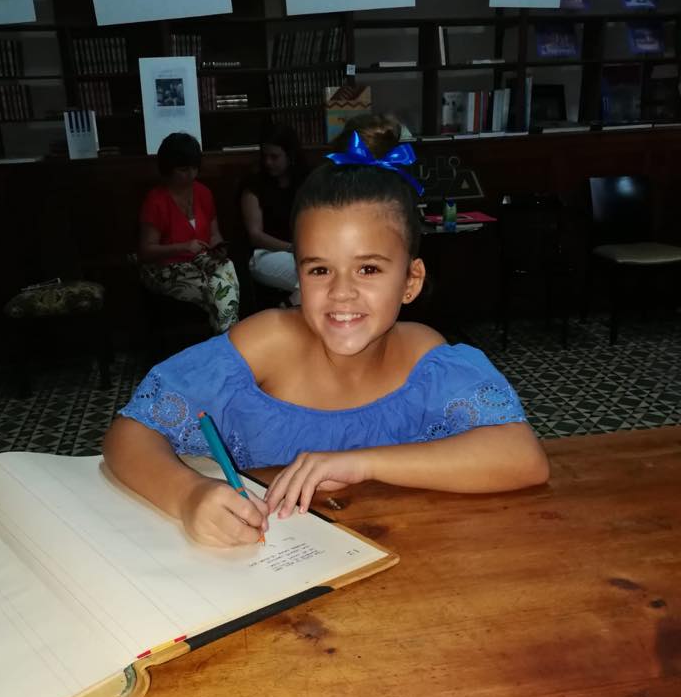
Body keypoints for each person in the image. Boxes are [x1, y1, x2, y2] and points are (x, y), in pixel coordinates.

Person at [104, 127, 549, 548]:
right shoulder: (265, 343)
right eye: (320, 270)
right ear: (297, 276)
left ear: (410, 281)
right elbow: (128, 435)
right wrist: (188, 495)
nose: (341, 292)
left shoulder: (426, 359)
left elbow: (522, 457)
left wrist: (360, 462)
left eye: (368, 269)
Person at [138, 132, 239, 334]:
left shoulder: (203, 193)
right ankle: (229, 337)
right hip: (168, 267)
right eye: (183, 170)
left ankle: (225, 337)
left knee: (226, 267)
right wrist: (183, 247)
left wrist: (218, 248)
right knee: (215, 289)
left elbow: (214, 234)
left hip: (202, 260)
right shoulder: (156, 201)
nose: (191, 175)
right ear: (168, 169)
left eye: (194, 168)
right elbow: (146, 251)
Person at [239, 122, 307, 307]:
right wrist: (292, 248)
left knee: (324, 270)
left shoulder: (305, 182)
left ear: (290, 156)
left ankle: (289, 305)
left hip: (303, 251)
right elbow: (255, 236)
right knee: (312, 274)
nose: (268, 162)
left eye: (274, 157)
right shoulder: (254, 185)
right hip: (265, 254)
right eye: (265, 156)